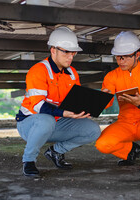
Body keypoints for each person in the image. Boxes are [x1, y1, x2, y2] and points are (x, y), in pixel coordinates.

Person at [16, 27, 101, 177]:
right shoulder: (39, 71)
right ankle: (28, 161)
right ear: (53, 50)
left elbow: (76, 99)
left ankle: (56, 152)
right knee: (46, 120)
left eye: (73, 52)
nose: (70, 56)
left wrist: (87, 107)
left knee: (93, 130)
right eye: (66, 51)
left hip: (57, 123)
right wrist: (63, 112)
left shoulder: (72, 73)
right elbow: (38, 105)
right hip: (30, 125)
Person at [95, 31, 140, 173]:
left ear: (137, 55)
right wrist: (102, 98)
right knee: (102, 144)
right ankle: (131, 151)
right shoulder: (112, 76)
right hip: (125, 124)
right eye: (118, 57)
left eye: (126, 57)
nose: (121, 61)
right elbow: (107, 103)